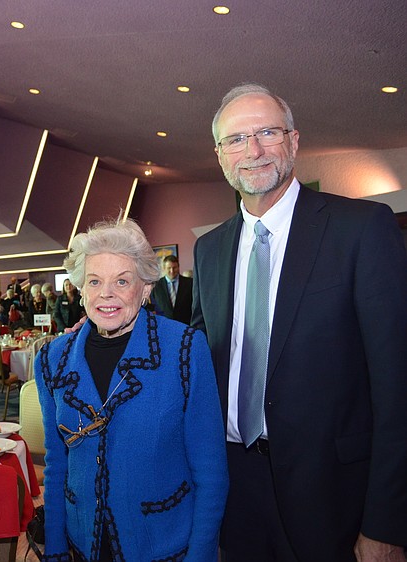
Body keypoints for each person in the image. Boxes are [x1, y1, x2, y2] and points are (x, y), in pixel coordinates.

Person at [192, 84, 407, 561]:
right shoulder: (209, 250)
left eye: (268, 132)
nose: (253, 150)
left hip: (333, 495)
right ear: (221, 156)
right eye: (237, 139)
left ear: (293, 141)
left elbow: (398, 387)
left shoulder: (362, 229)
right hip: (234, 489)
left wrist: (388, 524)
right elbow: (200, 364)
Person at [36, 219, 228, 561]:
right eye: (94, 281)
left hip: (163, 544)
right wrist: (55, 550)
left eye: (122, 281)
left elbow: (211, 472)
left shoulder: (184, 349)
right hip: (84, 543)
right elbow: (56, 465)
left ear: (145, 289)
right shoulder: (52, 360)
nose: (106, 293)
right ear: (80, 289)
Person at [149, 254, 193, 324]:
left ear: (178, 267)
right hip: (164, 326)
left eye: (174, 267)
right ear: (164, 268)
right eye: (169, 268)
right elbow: (153, 307)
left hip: (185, 326)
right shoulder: (155, 286)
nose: (172, 271)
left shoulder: (190, 283)